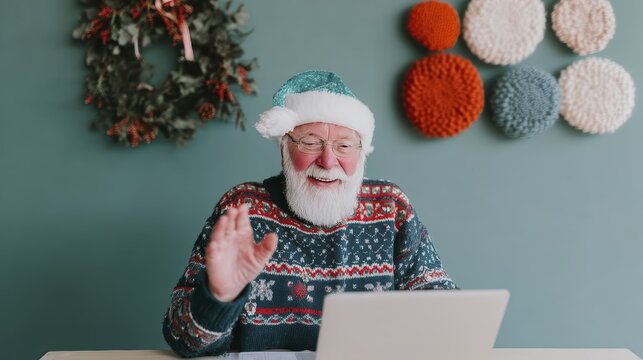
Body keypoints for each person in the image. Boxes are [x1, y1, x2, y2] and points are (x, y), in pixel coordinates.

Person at [162, 70, 458, 357]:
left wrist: (441, 321)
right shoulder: (242, 208)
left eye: (343, 146)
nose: (328, 161)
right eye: (311, 142)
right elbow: (183, 341)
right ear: (285, 149)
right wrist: (218, 297)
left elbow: (440, 303)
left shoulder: (391, 208)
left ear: (361, 153)